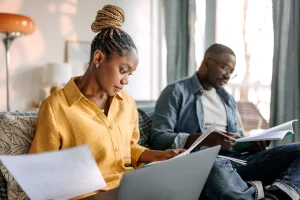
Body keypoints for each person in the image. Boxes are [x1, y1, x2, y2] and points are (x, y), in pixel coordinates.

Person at [29, 5, 183, 199]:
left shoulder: (126, 102)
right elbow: (39, 168)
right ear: (99, 57)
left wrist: (161, 155)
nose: (126, 80)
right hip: (88, 195)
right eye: (123, 70)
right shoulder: (55, 107)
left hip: (128, 187)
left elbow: (130, 149)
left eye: (130, 74)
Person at [150, 43, 300, 200]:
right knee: (214, 165)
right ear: (206, 63)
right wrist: (204, 139)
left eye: (232, 72)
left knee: (298, 149)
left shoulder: (227, 98)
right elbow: (159, 138)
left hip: (237, 160)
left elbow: (237, 136)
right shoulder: (175, 92)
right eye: (224, 68)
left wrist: (252, 144)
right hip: (204, 161)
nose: (228, 75)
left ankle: (277, 195)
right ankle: (251, 192)